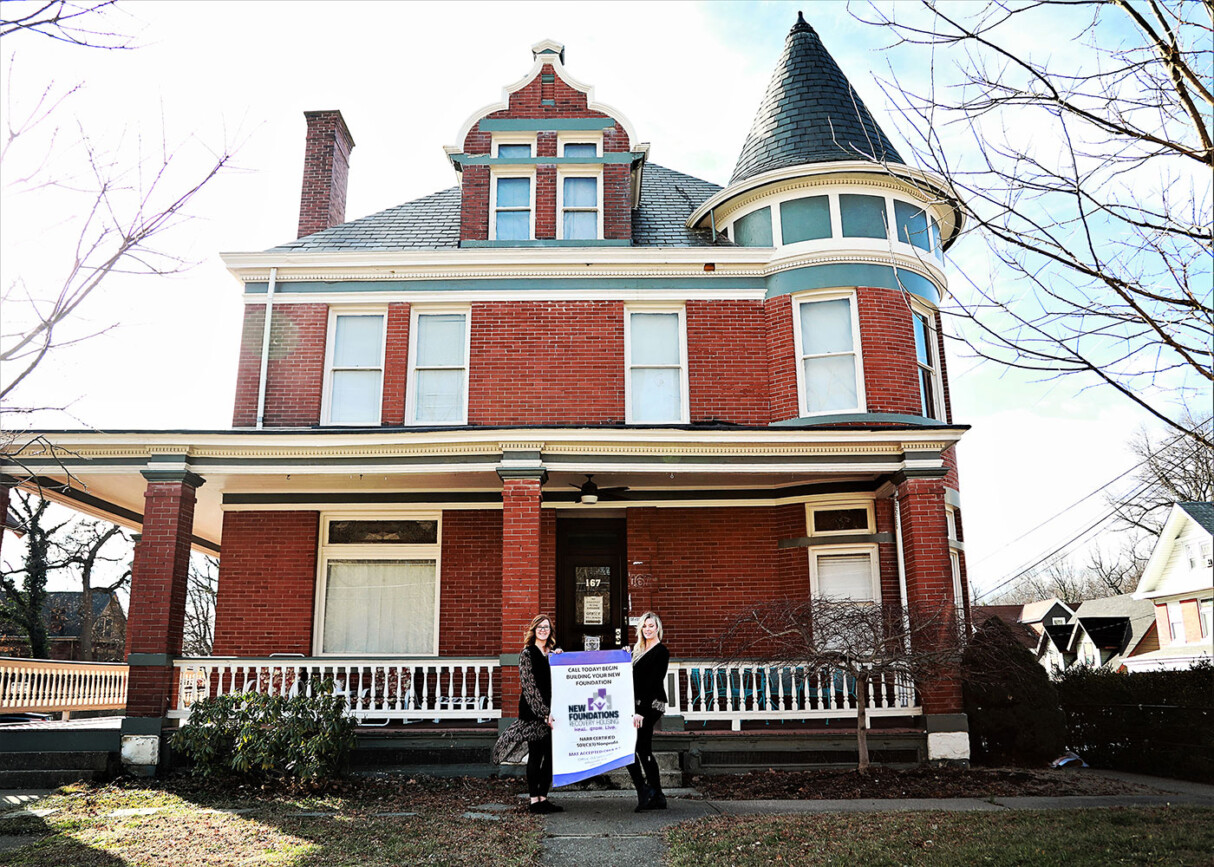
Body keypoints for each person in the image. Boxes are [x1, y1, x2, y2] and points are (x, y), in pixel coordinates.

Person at [491, 614, 564, 814]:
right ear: (534, 630)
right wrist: (543, 714)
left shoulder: (552, 653)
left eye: (546, 627)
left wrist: (560, 658)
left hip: (553, 712)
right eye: (539, 627)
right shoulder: (527, 653)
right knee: (536, 755)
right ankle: (534, 801)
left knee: (550, 757)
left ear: (550, 631)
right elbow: (529, 686)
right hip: (533, 712)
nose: (543, 630)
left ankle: (543, 797)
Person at [626, 611, 669, 811]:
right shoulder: (638, 650)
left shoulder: (661, 651)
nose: (648, 629)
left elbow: (652, 683)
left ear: (657, 628)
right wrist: (624, 654)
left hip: (652, 705)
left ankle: (648, 793)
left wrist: (641, 712)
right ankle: (653, 793)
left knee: (639, 748)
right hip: (636, 705)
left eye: (651, 626)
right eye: (644, 626)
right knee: (638, 749)